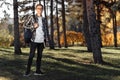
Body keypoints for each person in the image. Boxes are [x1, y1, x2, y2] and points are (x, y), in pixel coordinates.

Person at [24, 4, 47, 76]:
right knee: (31, 56)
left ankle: (37, 71)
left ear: (42, 10)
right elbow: (25, 25)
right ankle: (27, 72)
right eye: (38, 8)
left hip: (41, 40)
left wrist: (45, 38)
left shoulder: (43, 19)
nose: (39, 9)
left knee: (39, 57)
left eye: (41, 8)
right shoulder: (32, 17)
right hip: (34, 40)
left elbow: (45, 30)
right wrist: (33, 26)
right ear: (36, 9)